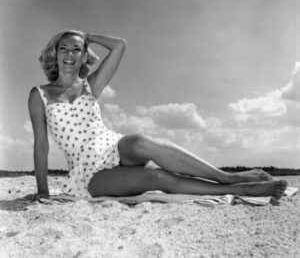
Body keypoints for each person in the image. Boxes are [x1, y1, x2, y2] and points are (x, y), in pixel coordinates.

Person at [27, 30, 287, 201]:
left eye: (76, 49)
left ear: (84, 55)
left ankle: (227, 176)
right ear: (54, 52)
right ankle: (235, 189)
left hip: (111, 145)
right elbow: (41, 145)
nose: (70, 55)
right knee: (156, 177)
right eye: (64, 48)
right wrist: (42, 191)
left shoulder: (90, 86)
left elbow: (120, 46)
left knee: (140, 140)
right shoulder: (40, 95)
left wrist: (88, 37)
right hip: (87, 170)